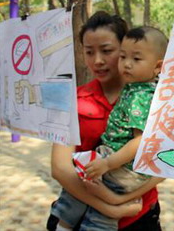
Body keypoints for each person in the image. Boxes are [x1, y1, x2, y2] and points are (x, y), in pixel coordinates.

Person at [48, 13, 164, 231]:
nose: (97, 60)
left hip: (139, 215)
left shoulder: (158, 100)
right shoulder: (71, 100)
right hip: (80, 217)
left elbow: (164, 167)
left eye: (107, 50)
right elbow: (60, 168)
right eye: (89, 52)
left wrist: (119, 200)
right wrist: (111, 207)